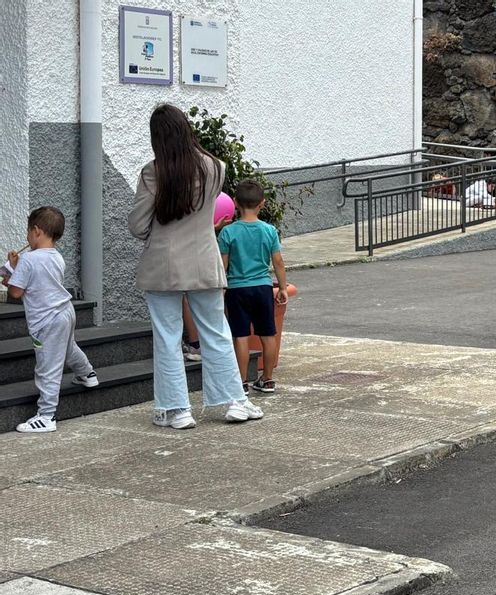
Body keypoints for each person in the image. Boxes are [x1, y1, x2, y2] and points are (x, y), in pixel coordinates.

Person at [127, 103, 264, 429]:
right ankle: (235, 401)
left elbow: (137, 225)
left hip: (163, 263)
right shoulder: (215, 167)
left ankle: (177, 410)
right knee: (216, 331)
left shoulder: (152, 172)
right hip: (204, 259)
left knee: (167, 336)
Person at [3, 207, 99, 432]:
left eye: (28, 231)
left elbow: (15, 292)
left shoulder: (28, 260)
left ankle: (47, 416)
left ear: (36, 231)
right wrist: (17, 268)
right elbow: (39, 280)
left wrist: (10, 270)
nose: (27, 237)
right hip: (65, 311)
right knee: (68, 348)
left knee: (47, 366)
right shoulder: (56, 257)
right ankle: (87, 373)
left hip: (45, 320)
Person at [218, 180, 288, 394]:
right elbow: (278, 262)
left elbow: (223, 266)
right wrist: (282, 288)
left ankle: (241, 383)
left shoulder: (227, 232)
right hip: (262, 288)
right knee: (268, 334)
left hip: (237, 289)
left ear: (235, 202)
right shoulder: (269, 230)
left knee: (240, 335)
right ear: (262, 203)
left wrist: (220, 289)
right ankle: (267, 379)